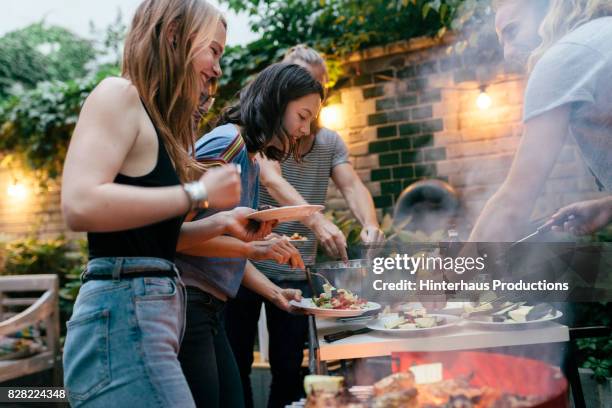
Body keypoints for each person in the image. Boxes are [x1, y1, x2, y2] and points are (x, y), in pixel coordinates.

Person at [59, 1, 271, 406]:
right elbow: (80, 202)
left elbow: (149, 239)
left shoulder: (155, 125)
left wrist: (224, 223)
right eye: (214, 51)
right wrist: (198, 193)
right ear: (174, 34)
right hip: (122, 314)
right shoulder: (118, 94)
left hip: (147, 314)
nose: (218, 68)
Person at [225, 45, 385, 408]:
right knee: (236, 363)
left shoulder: (327, 141)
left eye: (316, 85)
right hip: (243, 265)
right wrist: (315, 219)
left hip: (294, 270)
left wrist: (371, 224)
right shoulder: (260, 138)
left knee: (288, 366)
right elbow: (273, 178)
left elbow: (353, 185)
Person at [175, 62, 325, 408]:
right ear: (277, 101)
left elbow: (217, 246)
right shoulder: (227, 144)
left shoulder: (248, 154)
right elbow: (177, 236)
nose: (304, 129)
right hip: (190, 303)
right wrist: (256, 249)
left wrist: (275, 293)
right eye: (302, 116)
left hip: (209, 307)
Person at [469, 0, 612, 242]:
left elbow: (512, 205)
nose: (508, 53)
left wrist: (450, 276)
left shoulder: (561, 57)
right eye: (502, 42)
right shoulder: (601, 34)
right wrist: (607, 207)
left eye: (512, 31)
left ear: (549, 9)